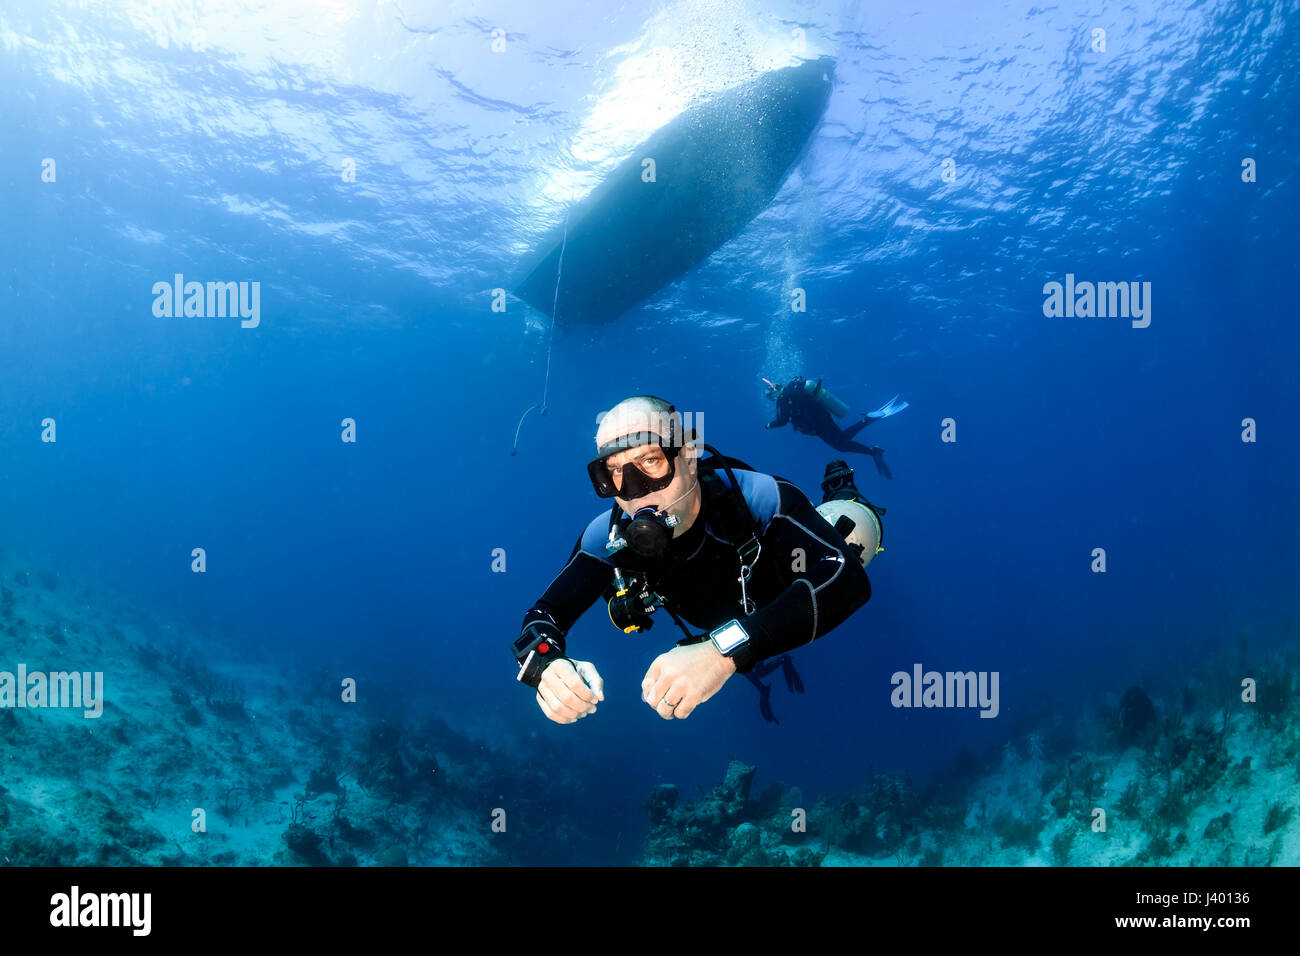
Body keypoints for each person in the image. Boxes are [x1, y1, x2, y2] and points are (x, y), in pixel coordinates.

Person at [511, 395, 872, 725]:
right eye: (616, 471)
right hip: (742, 627)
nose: (634, 492)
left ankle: (843, 490)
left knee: (858, 531)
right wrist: (545, 665)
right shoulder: (607, 538)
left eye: (650, 460)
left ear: (687, 454)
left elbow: (847, 581)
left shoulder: (760, 499)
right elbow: (543, 617)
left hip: (783, 583)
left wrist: (721, 650)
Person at [763, 377, 907, 479]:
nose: (771, 400)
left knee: (841, 444)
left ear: (774, 391)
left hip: (817, 424)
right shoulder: (793, 391)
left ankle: (868, 430)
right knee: (841, 441)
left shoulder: (784, 399)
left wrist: (770, 425)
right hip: (822, 417)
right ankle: (871, 446)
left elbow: (782, 420)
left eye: (770, 396)